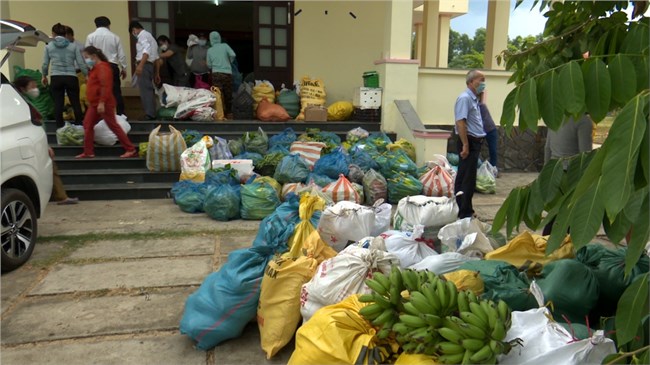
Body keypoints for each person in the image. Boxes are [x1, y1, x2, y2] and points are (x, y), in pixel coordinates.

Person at [13, 76, 79, 205]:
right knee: (50, 168)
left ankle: (60, 196)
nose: (35, 89)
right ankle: (60, 196)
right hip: (32, 142)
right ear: (22, 88)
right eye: (31, 86)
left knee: (50, 168)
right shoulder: (22, 104)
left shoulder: (26, 102)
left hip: (36, 140)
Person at [76, 46, 137, 159]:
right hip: (95, 103)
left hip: (104, 103)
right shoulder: (94, 68)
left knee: (113, 126)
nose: (86, 60)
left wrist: (102, 102)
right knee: (87, 124)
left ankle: (130, 149)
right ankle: (88, 151)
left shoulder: (103, 68)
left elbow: (106, 86)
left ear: (94, 56)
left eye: (86, 57)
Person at [541, 114, 594, 235]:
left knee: (555, 216)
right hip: (571, 175)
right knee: (570, 217)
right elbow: (585, 155)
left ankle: (545, 246)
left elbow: (547, 148)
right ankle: (564, 248)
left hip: (554, 173)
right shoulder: (584, 121)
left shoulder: (556, 119)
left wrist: (546, 174)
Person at [453, 69, 486, 219]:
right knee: (466, 178)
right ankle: (464, 211)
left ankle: (466, 208)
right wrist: (465, 145)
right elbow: (460, 122)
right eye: (481, 80)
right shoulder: (464, 98)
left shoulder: (474, 99)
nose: (483, 84)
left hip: (475, 141)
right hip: (469, 141)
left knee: (468, 177)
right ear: (471, 82)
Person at [42, 23, 88, 128]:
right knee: (75, 102)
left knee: (58, 103)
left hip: (56, 77)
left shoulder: (49, 47)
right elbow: (81, 63)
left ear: (53, 34)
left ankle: (60, 128)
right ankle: (79, 126)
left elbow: (45, 64)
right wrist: (86, 75)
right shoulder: (73, 46)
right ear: (65, 34)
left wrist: (44, 76)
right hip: (71, 77)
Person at [85, 16, 128, 116]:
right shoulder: (115, 37)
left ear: (96, 25)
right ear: (108, 25)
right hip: (112, 66)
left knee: (98, 91)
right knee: (115, 90)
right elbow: (121, 55)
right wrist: (124, 68)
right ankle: (120, 114)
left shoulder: (91, 37)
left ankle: (99, 115)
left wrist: (89, 68)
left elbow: (87, 55)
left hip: (97, 66)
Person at [128, 21, 159, 120]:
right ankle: (152, 113)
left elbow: (146, 51)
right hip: (150, 65)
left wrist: (140, 65)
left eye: (133, 32)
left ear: (134, 29)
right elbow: (157, 58)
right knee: (149, 90)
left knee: (145, 91)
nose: (134, 34)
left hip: (144, 64)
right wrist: (157, 73)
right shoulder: (151, 38)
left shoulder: (143, 35)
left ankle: (149, 114)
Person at [206, 31, 236, 117]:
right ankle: (229, 113)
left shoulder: (210, 50)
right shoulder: (225, 46)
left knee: (218, 94)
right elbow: (233, 54)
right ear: (219, 38)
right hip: (227, 73)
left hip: (216, 74)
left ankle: (220, 113)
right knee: (228, 93)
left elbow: (209, 65)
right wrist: (229, 61)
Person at [479, 92, 499, 177]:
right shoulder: (477, 106)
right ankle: (480, 169)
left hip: (490, 130)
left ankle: (493, 169)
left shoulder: (480, 106)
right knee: (476, 150)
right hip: (482, 131)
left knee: (493, 150)